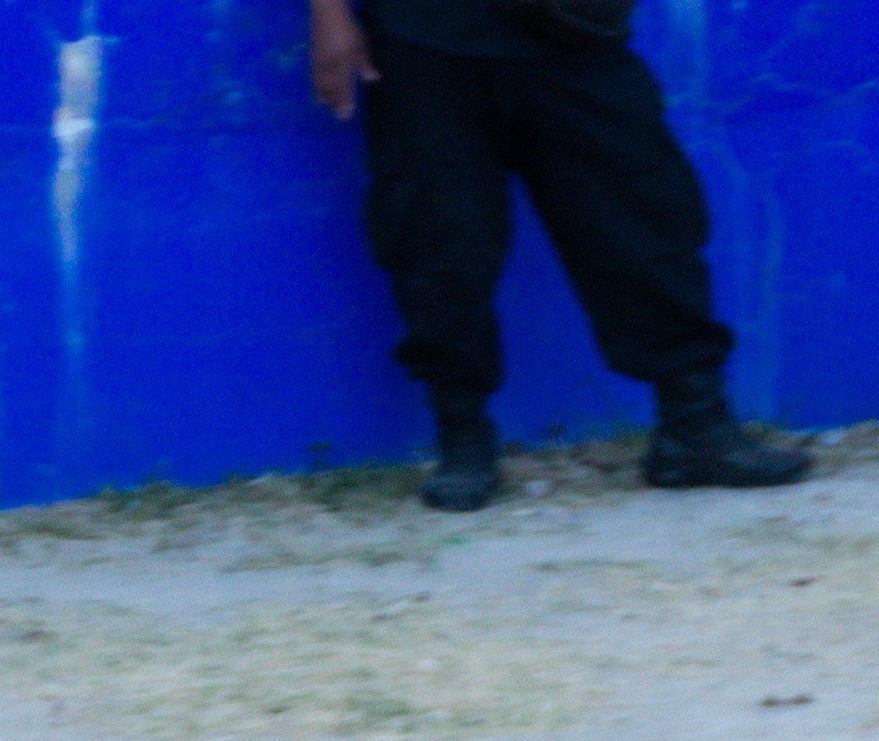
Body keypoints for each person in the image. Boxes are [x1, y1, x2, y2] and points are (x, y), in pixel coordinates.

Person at [303, 0, 815, 511]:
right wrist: (330, 15)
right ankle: (462, 440)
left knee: (642, 216)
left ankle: (695, 426)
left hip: (571, 27)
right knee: (438, 239)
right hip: (422, 35)